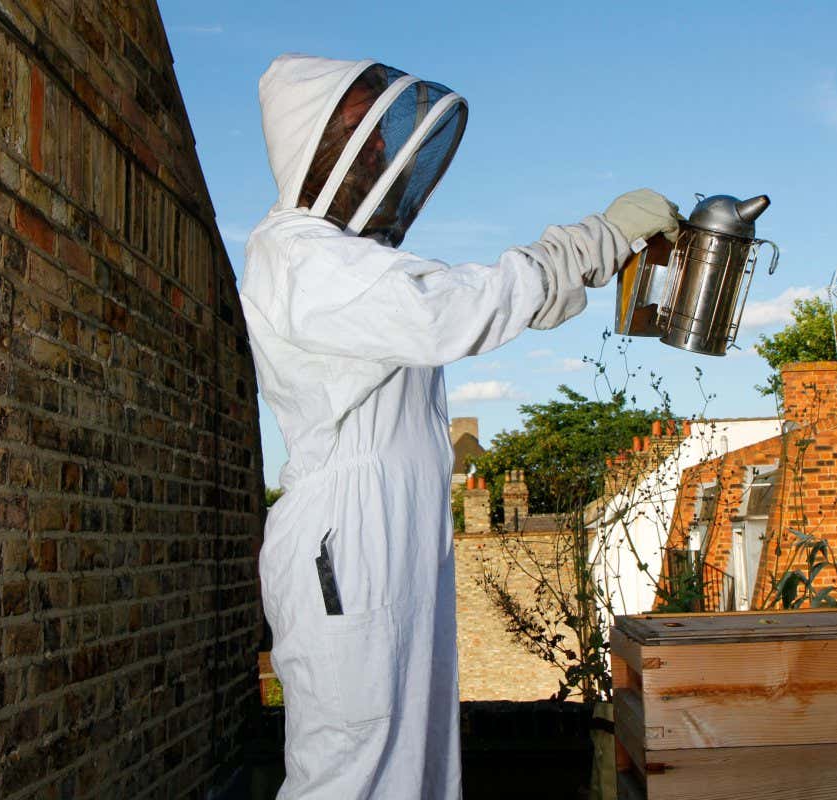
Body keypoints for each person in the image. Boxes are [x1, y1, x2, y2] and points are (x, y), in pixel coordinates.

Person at [239, 54, 679, 800]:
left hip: (382, 538)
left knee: (411, 761)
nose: (379, 150)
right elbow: (454, 308)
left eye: (382, 134)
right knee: (352, 771)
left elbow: (452, 309)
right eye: (359, 131)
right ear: (312, 146)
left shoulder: (345, 262)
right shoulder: (298, 257)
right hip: (348, 545)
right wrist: (593, 242)